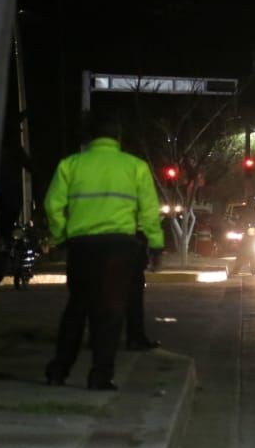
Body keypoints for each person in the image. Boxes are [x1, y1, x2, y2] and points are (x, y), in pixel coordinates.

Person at [44, 112, 165, 391]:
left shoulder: (71, 164)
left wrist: (61, 235)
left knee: (77, 307)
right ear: (118, 138)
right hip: (120, 249)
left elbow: (53, 205)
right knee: (110, 312)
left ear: (89, 137)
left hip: (82, 246)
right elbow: (148, 212)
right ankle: (100, 377)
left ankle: (58, 371)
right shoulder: (135, 167)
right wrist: (156, 245)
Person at [125, 231, 160, 350]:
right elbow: (150, 222)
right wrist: (156, 251)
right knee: (134, 300)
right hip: (130, 246)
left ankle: (97, 339)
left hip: (89, 243)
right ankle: (135, 339)